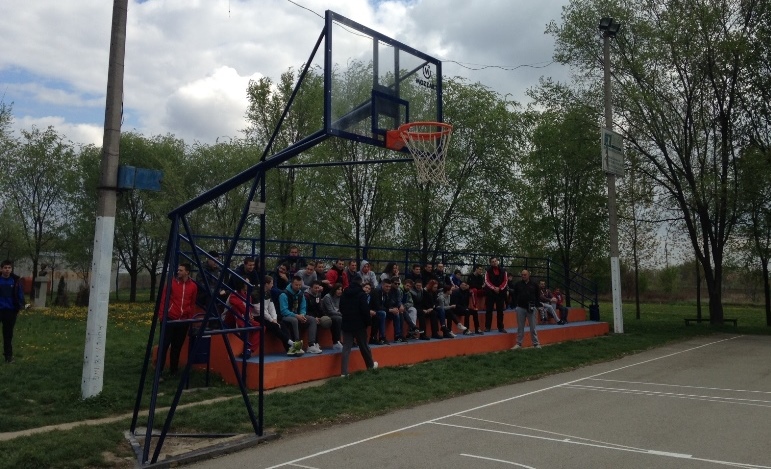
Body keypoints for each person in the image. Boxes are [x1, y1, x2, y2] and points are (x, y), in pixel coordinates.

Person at [226, 279, 301, 357]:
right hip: (237, 319)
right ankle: (292, 344)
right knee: (272, 326)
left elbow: (271, 307)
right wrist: (271, 320)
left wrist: (274, 318)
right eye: (247, 283)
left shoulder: (254, 294)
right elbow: (257, 310)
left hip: (248, 318)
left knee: (281, 325)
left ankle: (290, 348)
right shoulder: (237, 295)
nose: (249, 284)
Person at [158, 263, 198, 375]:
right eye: (178, 270)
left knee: (177, 346)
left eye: (181, 270)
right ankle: (159, 371)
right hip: (170, 318)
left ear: (187, 272)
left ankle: (173, 370)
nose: (178, 272)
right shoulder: (171, 283)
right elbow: (163, 300)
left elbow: (192, 303)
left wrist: (190, 318)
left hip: (183, 320)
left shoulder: (193, 286)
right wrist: (162, 316)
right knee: (164, 345)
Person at [340, 275, 377, 377]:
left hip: (346, 323)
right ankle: (370, 366)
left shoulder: (344, 293)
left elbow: (341, 308)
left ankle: (344, 373)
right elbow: (365, 310)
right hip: (359, 324)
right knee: (364, 346)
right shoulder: (362, 294)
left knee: (346, 348)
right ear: (361, 283)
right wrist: (368, 322)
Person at [279, 275, 321, 354]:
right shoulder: (284, 294)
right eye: (296, 285)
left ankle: (311, 345)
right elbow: (284, 311)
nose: (298, 287)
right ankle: (296, 345)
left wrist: (302, 315)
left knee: (312, 319)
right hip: (286, 317)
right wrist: (296, 316)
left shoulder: (301, 294)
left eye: (300, 285)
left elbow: (303, 307)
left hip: (298, 315)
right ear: (292, 284)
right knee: (294, 320)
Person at [0, 260, 25, 363]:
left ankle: (8, 357)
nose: (7, 270)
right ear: (1, 269)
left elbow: (20, 294)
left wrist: (20, 306)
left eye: (9, 268)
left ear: (11, 269)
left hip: (10, 311)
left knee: (8, 335)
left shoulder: (15, 281)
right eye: (5, 268)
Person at [510, 270, 541, 350]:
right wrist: (516, 304)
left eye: (525, 275)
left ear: (528, 275)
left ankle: (536, 343)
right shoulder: (518, 284)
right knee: (520, 327)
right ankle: (518, 344)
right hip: (520, 308)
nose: (523, 276)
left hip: (531, 308)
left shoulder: (534, 285)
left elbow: (538, 295)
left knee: (533, 327)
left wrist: (536, 305)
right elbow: (514, 294)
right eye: (522, 275)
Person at [195, 250, 228, 314]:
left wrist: (223, 290)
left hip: (216, 292)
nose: (216, 262)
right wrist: (216, 291)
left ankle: (226, 317)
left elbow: (221, 283)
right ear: (209, 260)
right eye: (214, 260)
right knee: (210, 296)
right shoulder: (202, 269)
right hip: (204, 294)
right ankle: (213, 318)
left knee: (229, 294)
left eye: (217, 260)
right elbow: (202, 285)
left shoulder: (218, 270)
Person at [305, 280, 333, 348]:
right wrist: (314, 317)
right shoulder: (306, 296)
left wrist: (324, 316)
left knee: (330, 319)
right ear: (311, 288)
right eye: (315, 288)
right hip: (307, 314)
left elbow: (319, 308)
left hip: (316, 314)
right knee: (314, 321)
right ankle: (314, 343)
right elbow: (305, 310)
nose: (317, 289)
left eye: (318, 288)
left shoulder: (318, 294)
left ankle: (335, 341)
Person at [484, 257, 508, 333]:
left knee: (500, 311)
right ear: (490, 263)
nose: (494, 262)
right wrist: (494, 288)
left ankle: (501, 327)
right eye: (492, 261)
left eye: (495, 261)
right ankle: (487, 327)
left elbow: (505, 281)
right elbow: (487, 281)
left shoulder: (504, 271)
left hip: (500, 293)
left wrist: (499, 288)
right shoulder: (487, 271)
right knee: (489, 310)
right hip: (490, 293)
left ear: (497, 261)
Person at [320, 282, 344, 350]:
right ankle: (336, 342)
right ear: (334, 289)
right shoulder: (327, 297)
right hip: (327, 315)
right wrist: (342, 314)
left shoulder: (341, 297)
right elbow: (330, 311)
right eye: (338, 289)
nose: (340, 291)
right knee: (338, 319)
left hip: (337, 314)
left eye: (341, 290)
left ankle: (350, 340)